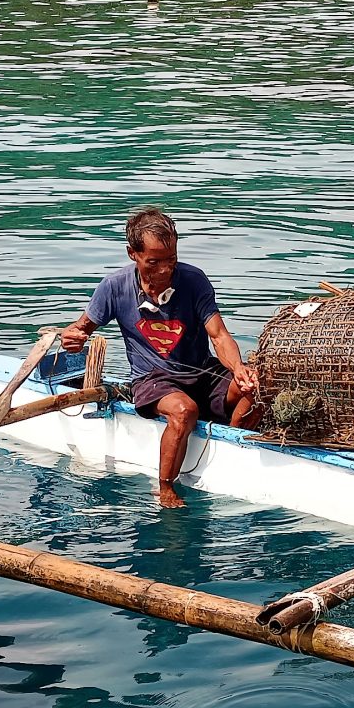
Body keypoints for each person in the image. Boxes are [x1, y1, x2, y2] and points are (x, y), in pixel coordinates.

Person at [59, 208, 260, 509]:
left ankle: (231, 446)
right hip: (153, 380)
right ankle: (165, 486)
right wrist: (71, 339)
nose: (165, 270)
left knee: (255, 387)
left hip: (203, 372)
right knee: (183, 411)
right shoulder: (113, 287)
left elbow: (218, 335)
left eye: (171, 260)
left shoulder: (194, 280)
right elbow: (81, 329)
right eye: (154, 262)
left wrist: (239, 368)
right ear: (133, 254)